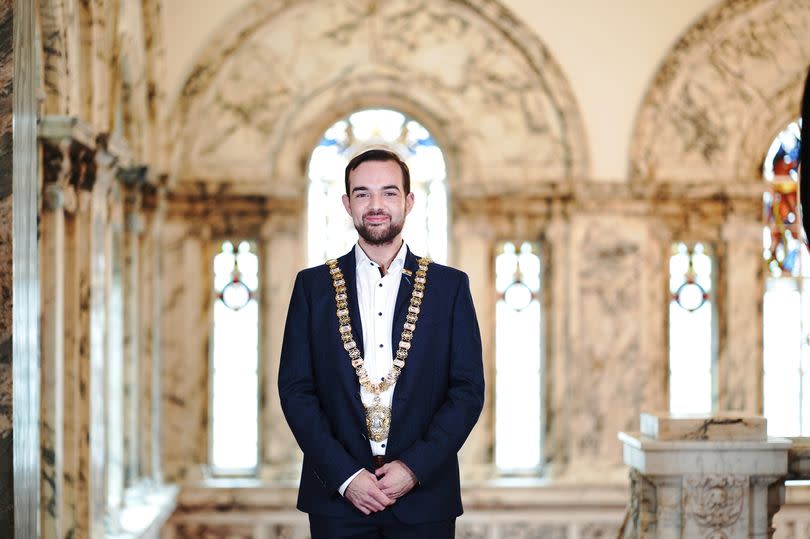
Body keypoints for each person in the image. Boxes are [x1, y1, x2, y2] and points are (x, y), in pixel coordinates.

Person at [278, 148, 485, 538]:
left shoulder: (450, 287)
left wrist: (414, 468)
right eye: (362, 193)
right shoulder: (312, 287)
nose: (376, 205)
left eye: (389, 193)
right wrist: (346, 476)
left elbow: (467, 392)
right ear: (346, 203)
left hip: (425, 497)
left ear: (408, 201)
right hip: (337, 499)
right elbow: (296, 391)